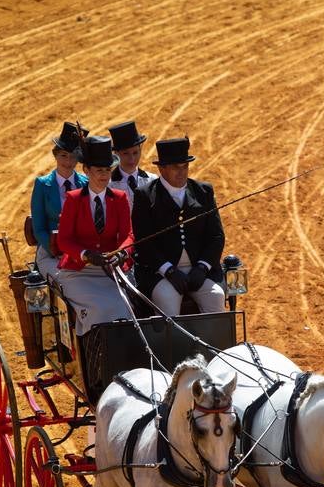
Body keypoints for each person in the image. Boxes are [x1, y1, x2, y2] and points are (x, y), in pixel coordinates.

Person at [132, 136, 225, 316]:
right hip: (160, 274)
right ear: (161, 168)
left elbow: (216, 236)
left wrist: (202, 267)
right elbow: (143, 242)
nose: (181, 172)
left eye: (185, 166)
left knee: (216, 296)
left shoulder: (203, 191)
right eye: (176, 167)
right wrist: (168, 271)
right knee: (167, 299)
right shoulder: (145, 196)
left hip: (199, 270)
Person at [56, 135, 133, 339]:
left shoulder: (120, 198)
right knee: (98, 309)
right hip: (78, 272)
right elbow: (64, 240)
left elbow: (128, 235)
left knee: (123, 308)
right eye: (99, 170)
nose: (104, 175)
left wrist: (122, 253)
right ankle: (96, 354)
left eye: (108, 170)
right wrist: (86, 254)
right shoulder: (73, 199)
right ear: (86, 170)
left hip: (109, 271)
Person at [30, 121, 88, 280]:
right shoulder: (42, 185)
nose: (68, 161)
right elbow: (39, 228)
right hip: (51, 252)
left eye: (73, 156)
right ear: (55, 155)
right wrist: (56, 250)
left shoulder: (87, 184)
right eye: (63, 155)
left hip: (82, 252)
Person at [108, 119, 157, 210]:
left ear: (140, 151)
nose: (132, 158)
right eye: (125, 153)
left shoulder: (152, 180)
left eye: (135, 152)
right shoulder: (108, 184)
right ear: (116, 154)